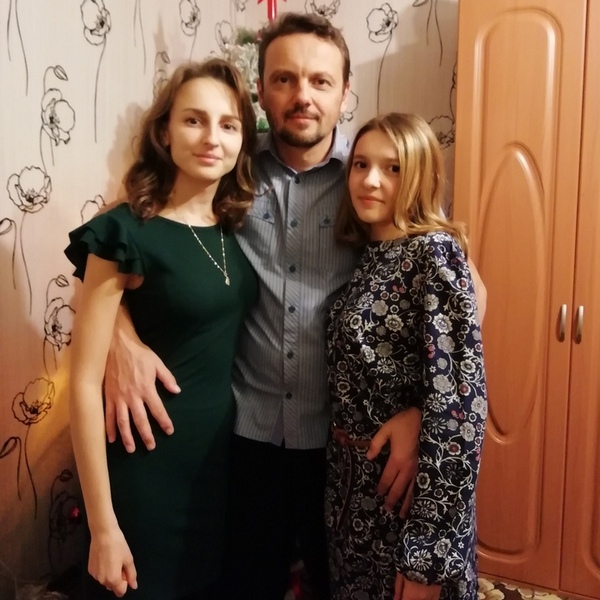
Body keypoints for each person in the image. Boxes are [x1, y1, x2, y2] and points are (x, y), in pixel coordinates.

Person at [102, 13, 487, 600]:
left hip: (342, 449)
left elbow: (466, 300)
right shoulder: (228, 165)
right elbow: (124, 236)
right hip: (245, 439)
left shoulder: (372, 176)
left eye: (320, 81)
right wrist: (118, 335)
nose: (302, 95)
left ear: (344, 92)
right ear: (262, 90)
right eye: (284, 79)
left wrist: (421, 411)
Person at [64, 58, 258, 599]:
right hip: (145, 469)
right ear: (164, 131)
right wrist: (103, 527)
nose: (212, 137)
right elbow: (84, 383)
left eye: (228, 124)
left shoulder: (234, 229)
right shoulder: (124, 231)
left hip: (213, 471)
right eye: (194, 120)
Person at [325, 112, 487, 600]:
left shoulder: (433, 253)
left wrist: (426, 560)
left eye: (392, 168)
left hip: (408, 504)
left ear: (420, 174)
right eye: (361, 164)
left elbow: (459, 408)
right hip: (354, 496)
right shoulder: (368, 255)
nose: (371, 180)